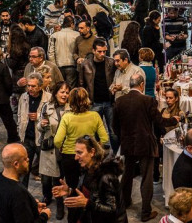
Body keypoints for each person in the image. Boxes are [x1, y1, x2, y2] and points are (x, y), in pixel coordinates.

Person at [113, 73, 179, 222]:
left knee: (127, 174)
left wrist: (123, 137)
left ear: (130, 84)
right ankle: (145, 212)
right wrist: (173, 120)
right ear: (142, 85)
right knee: (146, 178)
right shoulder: (148, 100)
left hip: (128, 143)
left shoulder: (119, 101)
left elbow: (114, 126)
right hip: (145, 143)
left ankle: (124, 203)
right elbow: (159, 121)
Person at [54, 87, 109, 223]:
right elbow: (104, 138)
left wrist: (62, 148)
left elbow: (57, 140)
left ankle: (73, 215)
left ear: (70, 101)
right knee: (88, 188)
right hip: (89, 158)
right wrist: (95, 150)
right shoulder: (95, 116)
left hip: (69, 156)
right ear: (87, 100)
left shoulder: (67, 117)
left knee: (72, 188)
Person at [52, 136, 127, 223]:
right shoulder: (87, 168)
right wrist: (69, 191)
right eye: (76, 153)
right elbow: (87, 194)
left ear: (92, 152)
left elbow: (112, 210)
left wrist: (87, 203)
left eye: (79, 153)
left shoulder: (106, 177)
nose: (76, 158)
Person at [0, 143, 51, 223]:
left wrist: (31, 205)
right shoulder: (18, 192)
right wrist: (44, 215)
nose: (28, 160)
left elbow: (9, 209)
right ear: (16, 164)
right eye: (25, 159)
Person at [37, 81, 70, 219]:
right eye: (62, 92)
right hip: (50, 147)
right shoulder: (46, 106)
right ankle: (47, 196)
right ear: (55, 93)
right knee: (46, 178)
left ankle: (60, 205)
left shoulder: (71, 107)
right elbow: (39, 127)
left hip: (65, 148)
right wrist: (42, 124)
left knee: (59, 178)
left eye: (67, 92)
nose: (65, 95)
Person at [79, 38, 118, 152]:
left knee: (113, 132)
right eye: (99, 51)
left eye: (104, 51)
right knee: (94, 132)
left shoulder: (111, 62)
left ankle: (116, 155)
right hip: (94, 101)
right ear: (93, 50)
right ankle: (95, 155)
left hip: (109, 101)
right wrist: (86, 100)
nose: (102, 54)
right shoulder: (85, 64)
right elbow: (81, 83)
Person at [17, 73, 52, 188]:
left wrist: (38, 116)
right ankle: (23, 195)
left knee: (46, 171)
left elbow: (53, 117)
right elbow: (19, 115)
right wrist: (20, 131)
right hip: (27, 139)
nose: (30, 89)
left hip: (41, 138)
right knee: (23, 170)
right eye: (28, 86)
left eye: (33, 86)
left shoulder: (48, 98)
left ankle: (47, 195)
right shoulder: (24, 97)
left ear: (40, 86)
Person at [48, 16, 80, 88]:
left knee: (60, 89)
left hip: (59, 66)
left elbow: (50, 53)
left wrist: (54, 66)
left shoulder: (54, 35)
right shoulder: (77, 35)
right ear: (72, 24)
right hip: (72, 65)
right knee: (71, 89)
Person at [6, 25, 31, 113]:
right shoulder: (27, 46)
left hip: (17, 76)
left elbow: (12, 64)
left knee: (16, 105)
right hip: (27, 73)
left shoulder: (14, 50)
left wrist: (7, 58)